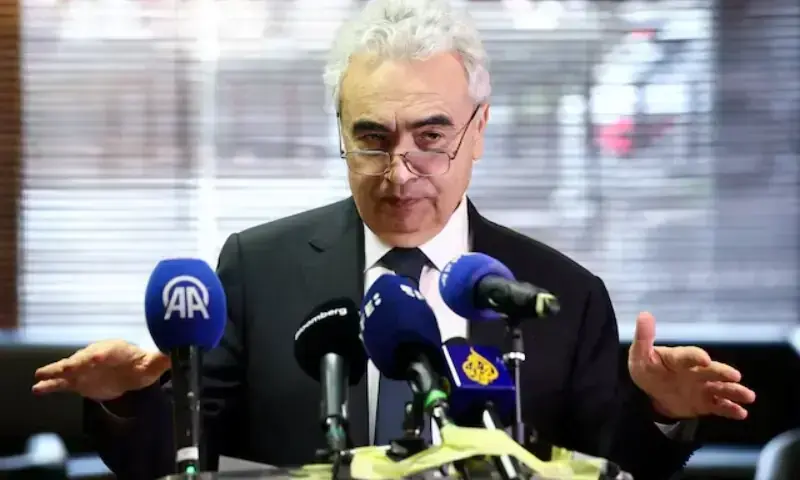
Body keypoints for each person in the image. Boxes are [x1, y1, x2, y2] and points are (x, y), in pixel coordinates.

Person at [32, 1, 756, 479]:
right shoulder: (257, 268)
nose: (399, 170)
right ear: (340, 132)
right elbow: (186, 461)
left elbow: (606, 465)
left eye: (431, 137)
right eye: (372, 138)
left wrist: (661, 413)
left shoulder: (558, 296)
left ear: (479, 130)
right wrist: (129, 402)